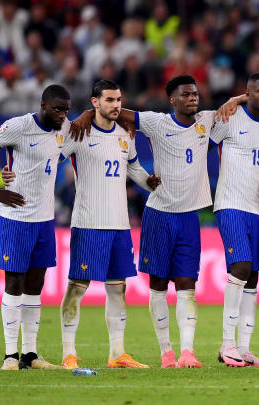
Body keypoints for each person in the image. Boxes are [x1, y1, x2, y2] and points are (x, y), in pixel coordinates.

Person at [71, 76, 246, 368]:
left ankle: (187, 352)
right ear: (172, 100)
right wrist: (88, 113)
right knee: (159, 286)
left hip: (190, 216)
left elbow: (247, 102)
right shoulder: (156, 122)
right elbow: (114, 112)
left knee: (188, 285)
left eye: (195, 93)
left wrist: (235, 99)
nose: (193, 98)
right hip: (159, 214)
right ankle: (166, 352)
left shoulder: (207, 119)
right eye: (186, 94)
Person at [0, 84, 71, 370]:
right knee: (14, 283)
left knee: (35, 286)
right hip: (16, 218)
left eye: (66, 110)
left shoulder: (64, 128)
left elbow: (83, 127)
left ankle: (30, 355)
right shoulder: (19, 126)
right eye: (57, 109)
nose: (62, 114)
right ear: (43, 105)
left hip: (44, 220)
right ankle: (10, 355)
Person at [58, 80, 159, 370]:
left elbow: (134, 167)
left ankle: (117, 353)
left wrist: (148, 182)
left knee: (118, 288)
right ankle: (68, 353)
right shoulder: (78, 132)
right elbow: (52, 160)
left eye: (119, 100)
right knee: (77, 288)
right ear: (95, 102)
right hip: (89, 223)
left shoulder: (126, 135)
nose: (116, 105)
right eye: (110, 100)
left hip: (119, 225)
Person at [214, 72, 259, 368]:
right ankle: (227, 345)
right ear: (248, 93)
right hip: (231, 204)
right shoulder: (229, 118)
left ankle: (244, 348)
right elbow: (203, 138)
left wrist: (239, 97)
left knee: (253, 275)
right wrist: (233, 101)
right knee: (241, 266)